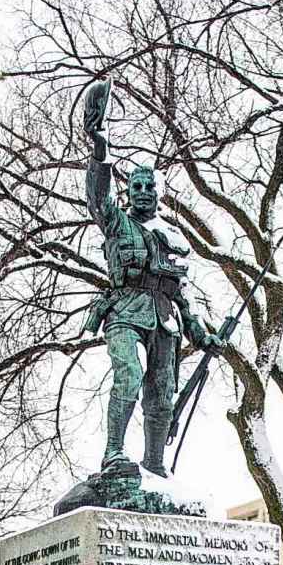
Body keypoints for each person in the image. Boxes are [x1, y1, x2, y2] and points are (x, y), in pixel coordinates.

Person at [83, 79, 214, 476]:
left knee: (161, 394)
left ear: (159, 193)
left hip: (166, 318)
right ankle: (113, 453)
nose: (141, 191)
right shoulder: (116, 221)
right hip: (125, 311)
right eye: (135, 186)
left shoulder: (174, 236)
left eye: (148, 186)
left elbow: (183, 291)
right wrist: (100, 148)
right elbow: (98, 194)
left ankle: (155, 465)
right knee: (129, 375)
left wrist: (200, 331)